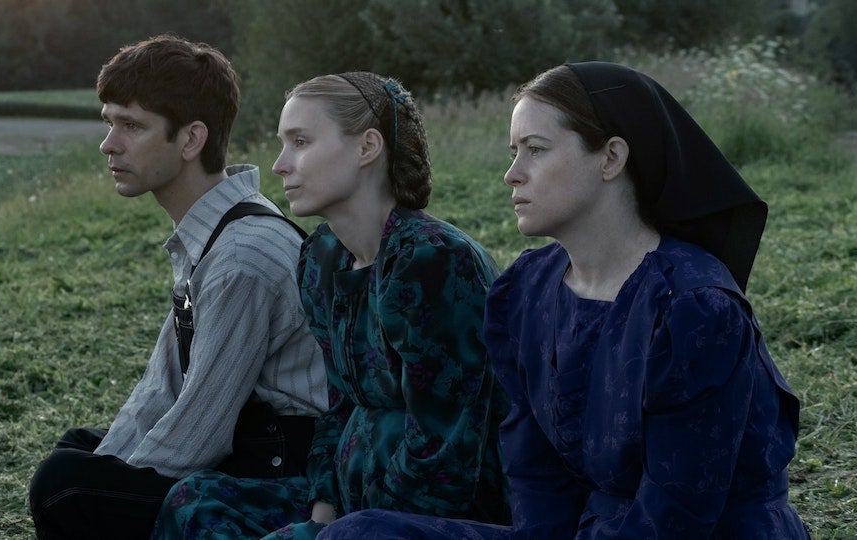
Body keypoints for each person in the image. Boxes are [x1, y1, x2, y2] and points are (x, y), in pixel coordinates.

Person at [315, 62, 811, 539]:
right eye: (514, 151)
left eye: (535, 149)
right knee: (358, 532)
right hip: (580, 532)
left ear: (612, 158)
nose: (513, 173)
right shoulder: (527, 290)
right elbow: (535, 475)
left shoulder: (693, 308)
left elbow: (675, 516)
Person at [152, 71, 510, 539]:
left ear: (367, 147)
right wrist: (321, 513)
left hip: (433, 515)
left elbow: (446, 452)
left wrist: (338, 530)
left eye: (300, 142)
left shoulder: (434, 262)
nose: (280, 165)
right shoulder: (322, 257)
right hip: (348, 497)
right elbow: (336, 407)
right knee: (193, 501)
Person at [28, 34, 328, 539]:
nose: (109, 144)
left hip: (285, 469)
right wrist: (110, 465)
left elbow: (200, 428)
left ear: (190, 140)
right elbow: (163, 385)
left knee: (65, 486)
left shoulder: (242, 255)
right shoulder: (214, 231)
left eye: (132, 126)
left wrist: (113, 486)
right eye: (110, 122)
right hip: (248, 437)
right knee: (77, 450)